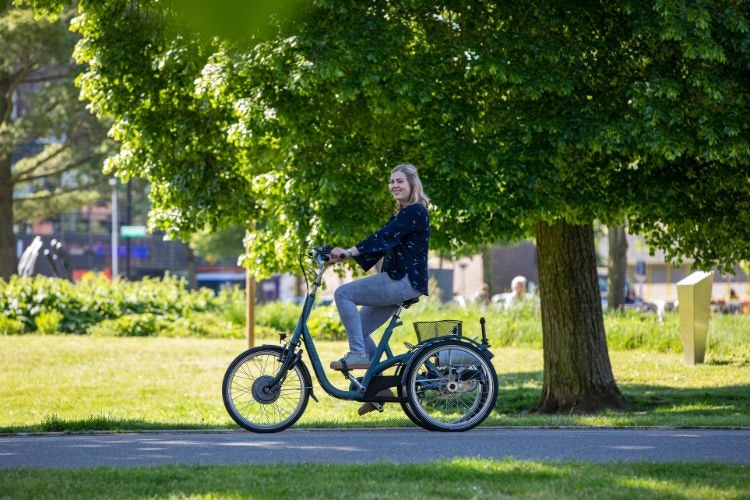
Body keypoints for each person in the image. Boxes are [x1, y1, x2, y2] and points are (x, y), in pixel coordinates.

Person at [329, 163, 430, 415]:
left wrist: (350, 251)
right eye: (391, 181)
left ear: (412, 185)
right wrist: (341, 256)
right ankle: (379, 389)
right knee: (360, 330)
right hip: (398, 280)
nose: (394, 185)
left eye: (400, 181)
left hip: (403, 280)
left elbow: (383, 236)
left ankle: (357, 356)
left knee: (343, 293)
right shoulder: (403, 213)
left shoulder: (415, 211)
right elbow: (382, 245)